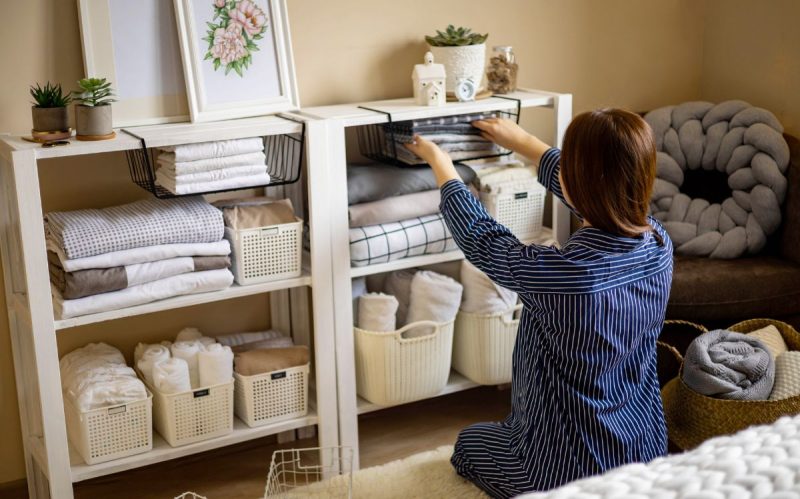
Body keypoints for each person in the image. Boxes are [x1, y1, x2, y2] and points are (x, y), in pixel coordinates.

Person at [405, 109, 673, 498]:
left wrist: (441, 164)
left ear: (578, 182)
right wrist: (523, 142)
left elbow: (484, 239)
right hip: (644, 453)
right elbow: (597, 197)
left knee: (467, 445)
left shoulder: (563, 276)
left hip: (562, 475)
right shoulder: (659, 245)